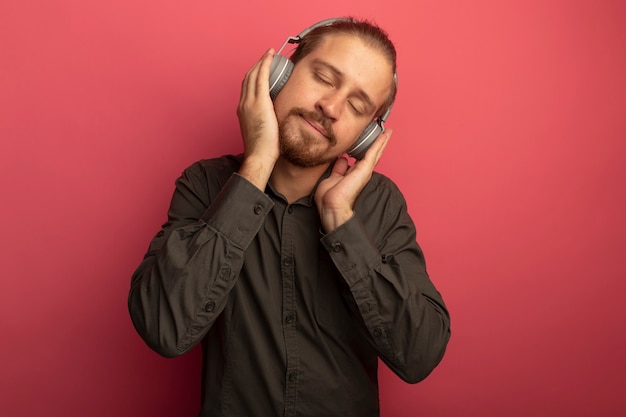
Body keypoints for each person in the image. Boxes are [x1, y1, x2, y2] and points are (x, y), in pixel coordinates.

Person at [128, 17, 450, 417]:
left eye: (355, 105)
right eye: (324, 78)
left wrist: (340, 221)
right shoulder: (205, 184)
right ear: (281, 71)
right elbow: (163, 326)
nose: (330, 108)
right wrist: (258, 163)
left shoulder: (380, 205)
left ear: (365, 136)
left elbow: (420, 354)